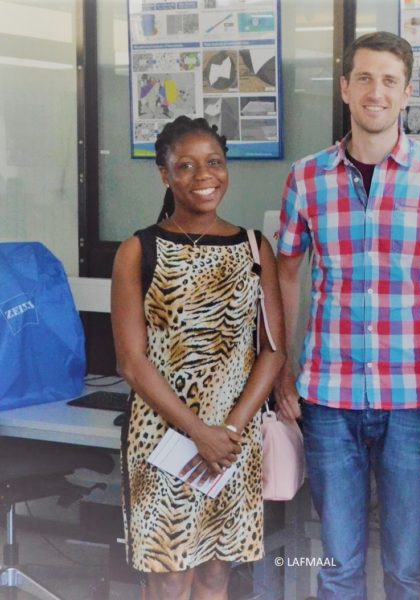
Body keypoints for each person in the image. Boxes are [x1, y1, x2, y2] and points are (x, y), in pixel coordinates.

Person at [274, 31, 420, 600]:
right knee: (337, 566)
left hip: (415, 397)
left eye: (389, 80)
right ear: (344, 87)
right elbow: (286, 272)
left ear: (407, 92)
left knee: (407, 567)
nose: (375, 91)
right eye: (364, 78)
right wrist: (283, 369)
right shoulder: (306, 177)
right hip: (328, 398)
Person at [111, 116, 286, 599]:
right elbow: (131, 361)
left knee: (216, 571)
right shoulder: (138, 249)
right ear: (164, 174)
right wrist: (199, 432)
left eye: (214, 163)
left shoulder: (254, 247)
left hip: (234, 441)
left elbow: (272, 350)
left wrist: (227, 432)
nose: (203, 176)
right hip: (164, 440)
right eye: (185, 166)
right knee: (169, 577)